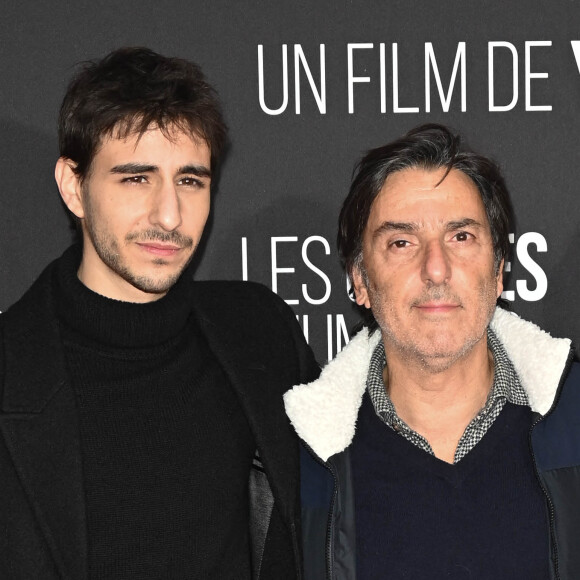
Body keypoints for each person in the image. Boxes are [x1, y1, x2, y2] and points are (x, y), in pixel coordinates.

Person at [0, 47, 318, 580]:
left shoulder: (262, 336)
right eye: (136, 178)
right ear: (73, 187)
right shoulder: (12, 367)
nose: (169, 215)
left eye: (190, 180)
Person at [284, 124, 580, 579]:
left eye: (461, 237)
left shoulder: (574, 416)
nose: (436, 268)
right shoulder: (301, 461)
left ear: (500, 268)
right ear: (360, 281)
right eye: (401, 242)